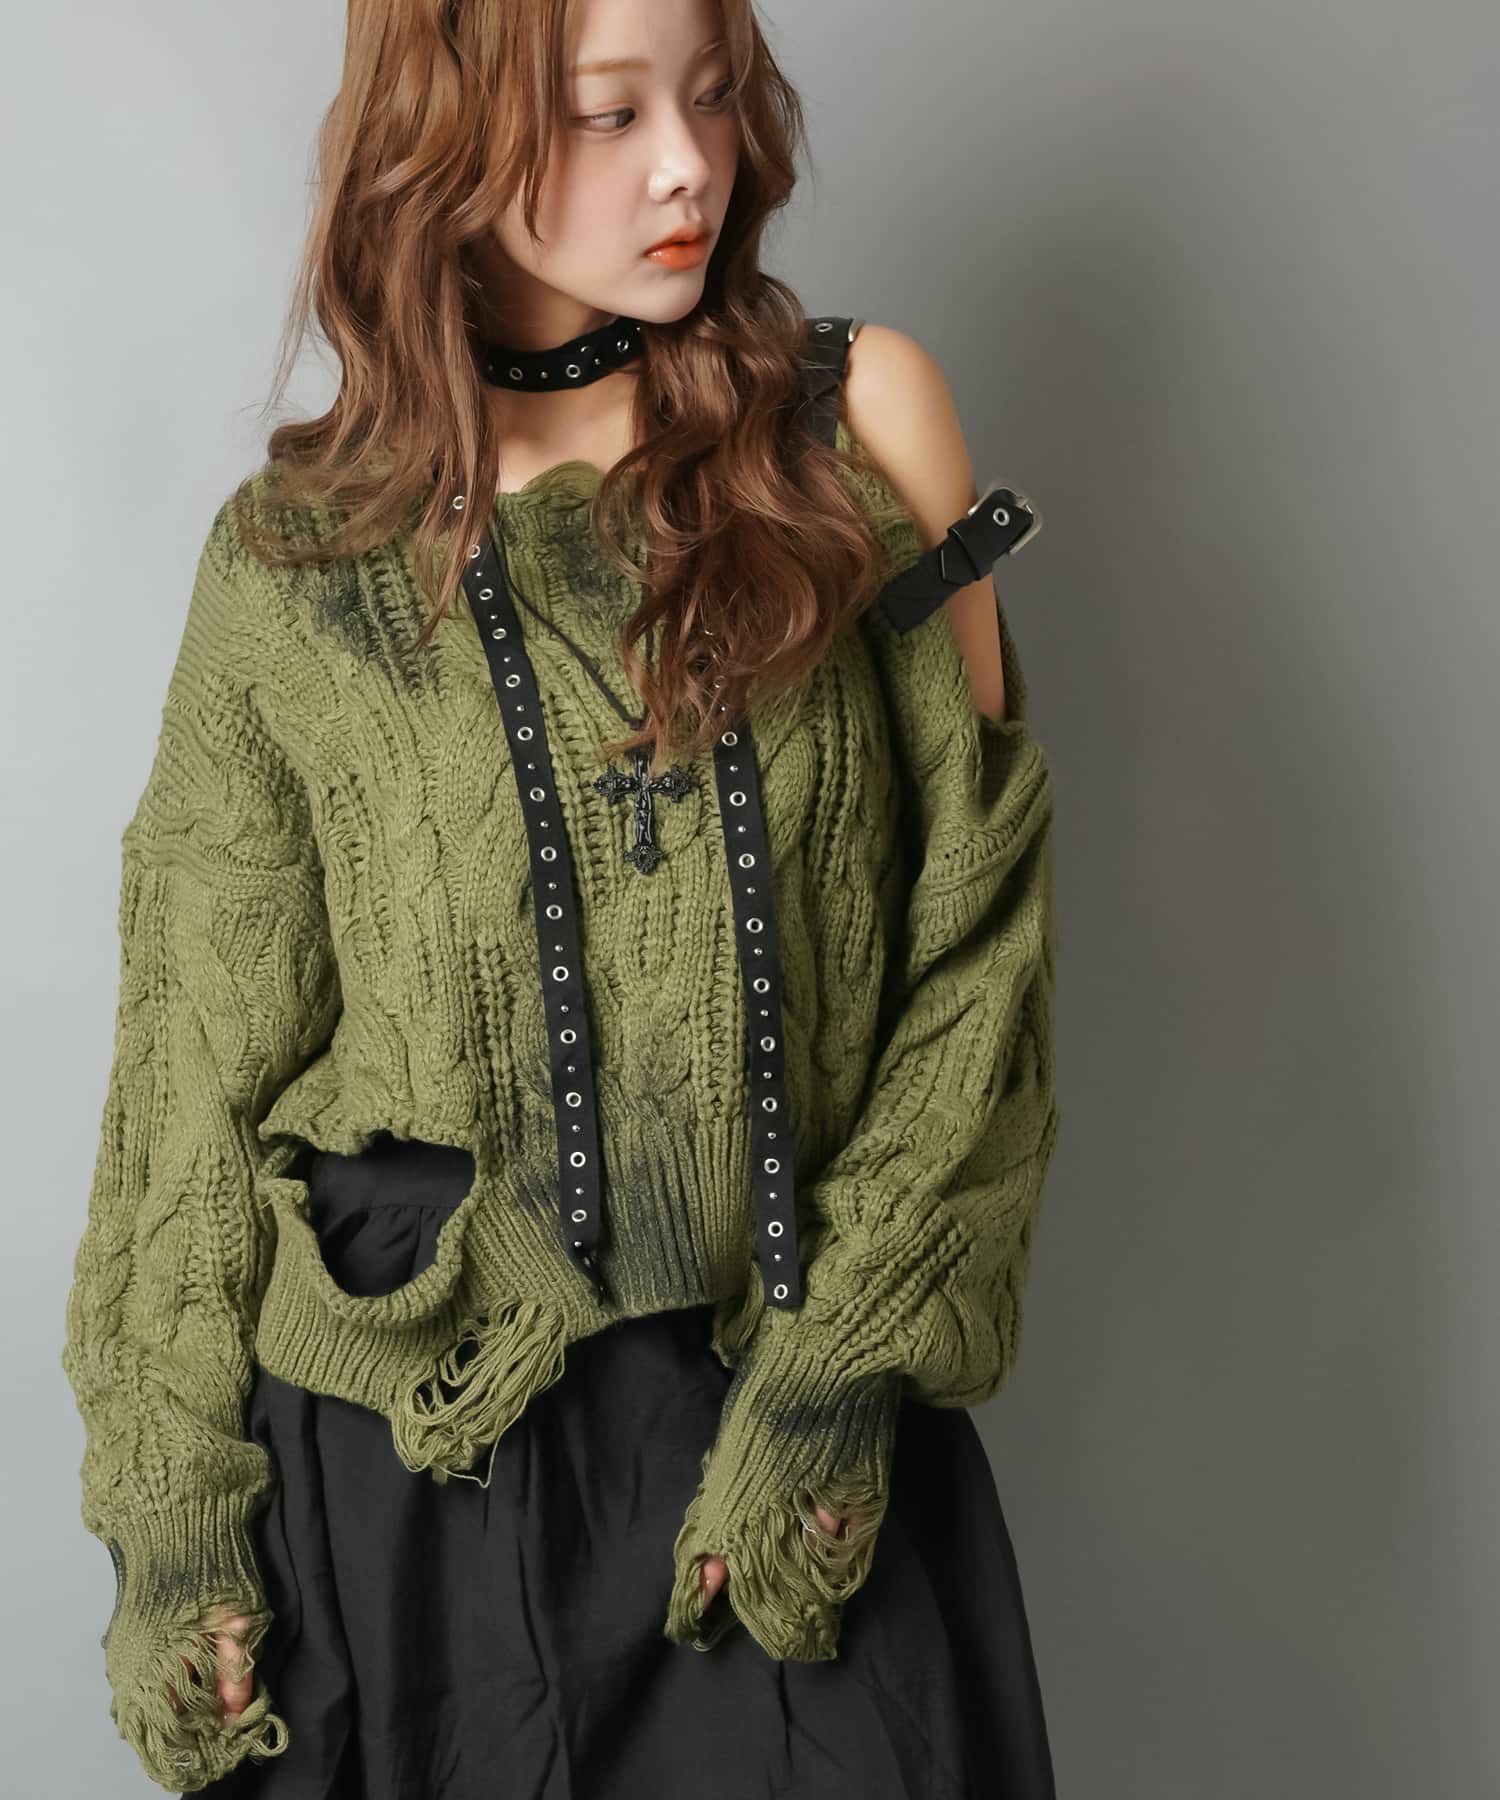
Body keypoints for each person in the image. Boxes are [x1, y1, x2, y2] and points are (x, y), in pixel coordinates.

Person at [60, 0, 1062, 1794]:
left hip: (789, 1391)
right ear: (446, 136)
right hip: (406, 1473)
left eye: (713, 97)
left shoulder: (853, 428)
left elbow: (980, 951)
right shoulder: (296, 566)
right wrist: (176, 1518)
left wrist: (830, 1385)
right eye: (609, 114)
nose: (690, 167)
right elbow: (190, 1085)